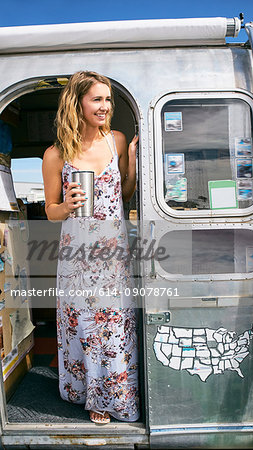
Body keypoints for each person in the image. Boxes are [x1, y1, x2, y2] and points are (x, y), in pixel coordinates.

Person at [42, 71, 139, 424]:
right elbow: (51, 211)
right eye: (96, 99)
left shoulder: (116, 140)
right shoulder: (55, 154)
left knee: (112, 324)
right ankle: (87, 393)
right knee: (82, 324)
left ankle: (113, 395)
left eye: (108, 99)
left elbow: (123, 194)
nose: (104, 106)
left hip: (112, 252)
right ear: (77, 102)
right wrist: (65, 206)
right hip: (76, 254)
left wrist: (131, 158)